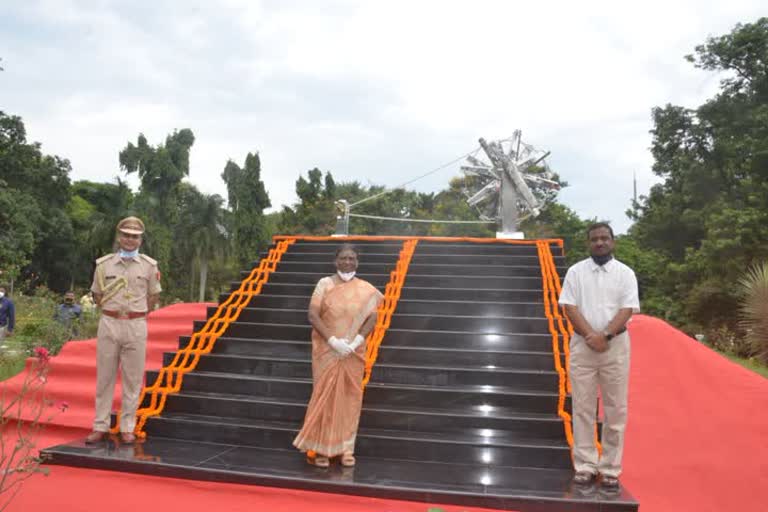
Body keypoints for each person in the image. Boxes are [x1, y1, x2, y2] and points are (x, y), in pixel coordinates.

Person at [558, 222, 640, 490]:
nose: (600, 243)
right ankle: (585, 466)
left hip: (615, 346)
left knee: (616, 409)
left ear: (613, 241)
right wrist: (591, 336)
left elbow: (627, 309)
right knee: (582, 407)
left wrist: (604, 336)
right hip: (583, 346)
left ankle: (610, 468)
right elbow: (569, 306)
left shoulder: (625, 274)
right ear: (588, 243)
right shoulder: (575, 272)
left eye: (605, 238)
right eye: (595, 239)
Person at [293, 244, 383, 467]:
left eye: (352, 258)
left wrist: (357, 341)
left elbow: (372, 317)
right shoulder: (325, 284)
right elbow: (313, 315)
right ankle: (322, 450)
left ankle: (345, 449)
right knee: (325, 400)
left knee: (350, 401)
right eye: (343, 258)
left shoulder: (366, 288)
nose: (347, 262)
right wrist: (333, 341)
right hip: (327, 351)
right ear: (335, 261)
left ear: (357, 262)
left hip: (353, 353)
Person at [85, 216, 162, 444]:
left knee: (133, 379)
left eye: (135, 236)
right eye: (126, 235)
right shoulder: (104, 264)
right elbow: (97, 294)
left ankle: (128, 426)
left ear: (140, 239)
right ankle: (100, 425)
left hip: (136, 324)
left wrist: (136, 313)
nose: (130, 239)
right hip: (109, 322)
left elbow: (153, 296)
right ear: (119, 237)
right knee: (105, 377)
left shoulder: (150, 265)